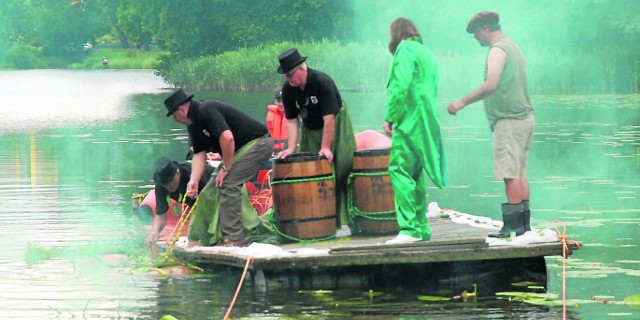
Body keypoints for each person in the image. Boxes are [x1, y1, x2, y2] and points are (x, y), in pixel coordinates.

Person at [447, 12, 534, 238]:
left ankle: (513, 229)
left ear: (485, 28)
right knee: (520, 172)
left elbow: (491, 84)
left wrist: (461, 102)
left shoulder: (497, 50)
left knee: (510, 173)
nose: (476, 38)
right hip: (525, 118)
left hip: (509, 120)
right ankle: (524, 227)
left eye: (476, 33)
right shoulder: (513, 46)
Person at [164, 88, 274, 246]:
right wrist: (193, 180)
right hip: (237, 152)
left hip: (258, 144)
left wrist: (226, 169)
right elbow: (199, 154)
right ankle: (204, 237)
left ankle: (235, 239)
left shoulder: (206, 110)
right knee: (209, 190)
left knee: (229, 184)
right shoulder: (193, 126)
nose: (175, 120)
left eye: (174, 116)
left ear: (182, 109)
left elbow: (227, 138)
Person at [275, 48, 357, 232]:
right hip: (311, 128)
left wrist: (326, 148)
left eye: (290, 75)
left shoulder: (322, 82)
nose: (288, 79)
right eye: (286, 76)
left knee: (343, 165)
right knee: (311, 169)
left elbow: (330, 118)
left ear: (302, 69)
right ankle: (320, 220)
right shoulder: (288, 89)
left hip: (335, 123)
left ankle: (351, 218)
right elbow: (291, 120)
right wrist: (290, 148)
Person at [383, 18, 446, 244]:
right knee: (415, 174)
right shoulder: (426, 52)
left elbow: (401, 84)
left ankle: (409, 228)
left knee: (398, 170)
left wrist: (391, 116)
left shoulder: (405, 48)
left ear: (396, 33)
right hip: (427, 121)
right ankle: (421, 228)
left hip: (410, 119)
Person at [145, 157, 215, 246]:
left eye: (170, 182)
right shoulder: (161, 187)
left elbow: (209, 207)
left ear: (178, 173)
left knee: (207, 233)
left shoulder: (193, 176)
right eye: (165, 184)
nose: (168, 187)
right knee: (194, 236)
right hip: (198, 205)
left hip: (215, 190)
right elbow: (160, 215)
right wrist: (155, 231)